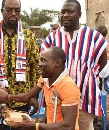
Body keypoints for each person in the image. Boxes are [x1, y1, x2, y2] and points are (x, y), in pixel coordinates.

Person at [41, 0, 108, 130]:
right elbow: (43, 67)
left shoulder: (94, 37)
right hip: (57, 101)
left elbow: (103, 66)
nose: (65, 15)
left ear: (79, 14)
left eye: (70, 11)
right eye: (63, 12)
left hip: (85, 99)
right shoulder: (51, 38)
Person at [0, 0, 40, 115]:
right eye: (9, 10)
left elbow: (36, 68)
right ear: (2, 11)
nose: (14, 13)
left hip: (22, 99)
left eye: (17, 10)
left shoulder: (28, 36)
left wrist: (34, 96)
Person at [9, 46, 80, 130]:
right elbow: (27, 97)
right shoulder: (45, 78)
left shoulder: (68, 86)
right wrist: (7, 97)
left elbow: (68, 126)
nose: (39, 64)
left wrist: (35, 126)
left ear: (57, 62)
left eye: (43, 60)